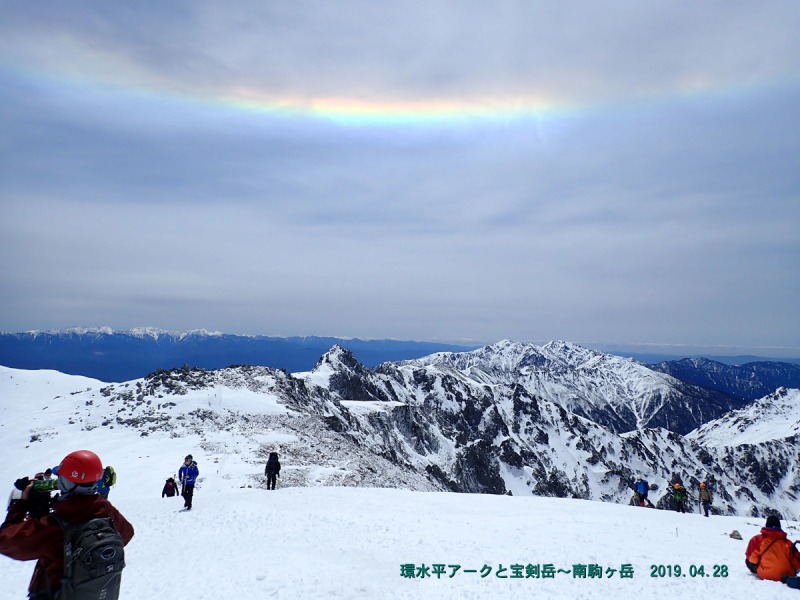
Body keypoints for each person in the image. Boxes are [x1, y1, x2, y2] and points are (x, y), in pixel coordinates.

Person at [0, 450, 134, 599]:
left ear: (69, 482)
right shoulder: (104, 509)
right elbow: (127, 533)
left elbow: (5, 541)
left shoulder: (55, 525)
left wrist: (21, 506)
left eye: (61, 477)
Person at [745, 515, 800, 586]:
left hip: (765, 575)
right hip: (785, 576)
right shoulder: (788, 543)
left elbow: (752, 559)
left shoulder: (758, 539)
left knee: (748, 559)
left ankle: (763, 570)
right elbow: (798, 563)